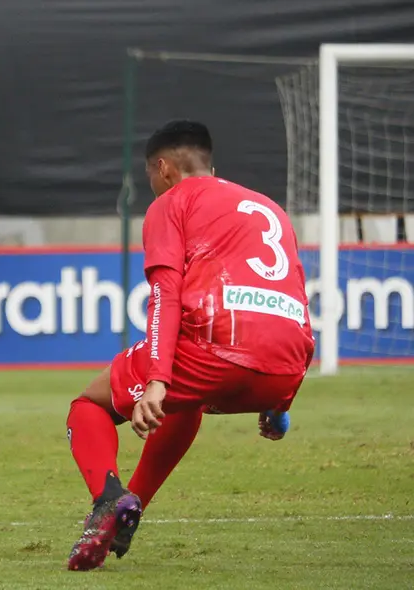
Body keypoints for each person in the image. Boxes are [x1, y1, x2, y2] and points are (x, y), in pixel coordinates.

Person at [64, 120, 315, 571]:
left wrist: (158, 380)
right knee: (186, 405)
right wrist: (280, 404)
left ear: (163, 168)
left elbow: (166, 294)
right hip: (284, 370)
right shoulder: (268, 207)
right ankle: (134, 505)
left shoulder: (171, 203)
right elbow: (295, 298)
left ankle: (110, 501)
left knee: (89, 406)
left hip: (217, 350)